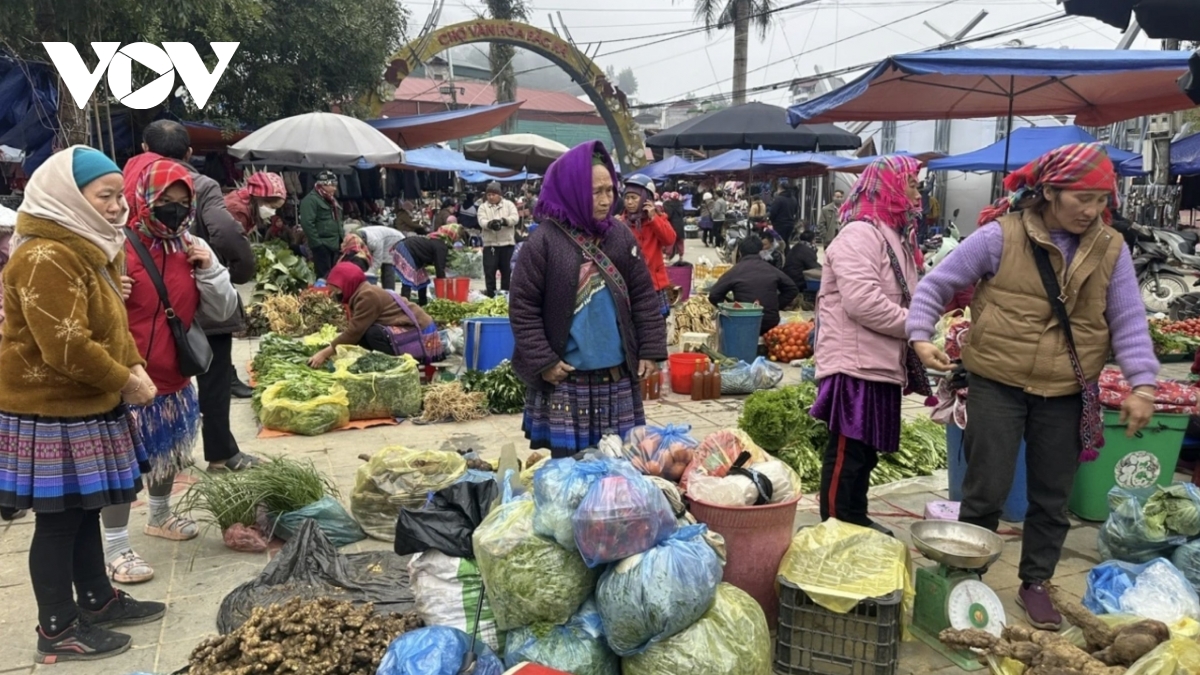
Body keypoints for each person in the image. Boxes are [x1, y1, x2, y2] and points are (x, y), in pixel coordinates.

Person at [907, 143, 1157, 630]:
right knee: (986, 491)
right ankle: (968, 573)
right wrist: (919, 335)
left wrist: (1143, 385)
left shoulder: (1111, 249)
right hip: (998, 382)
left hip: (1066, 389)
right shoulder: (1001, 236)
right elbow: (937, 283)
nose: (1091, 210)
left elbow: (1128, 320)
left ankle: (1036, 582)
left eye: (1100, 200)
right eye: (1081, 198)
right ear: (1048, 193)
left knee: (1051, 497)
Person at [1, 146, 166, 662]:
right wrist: (126, 380)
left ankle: (96, 600)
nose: (119, 206)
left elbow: (108, 322)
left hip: (87, 401)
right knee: (58, 521)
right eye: (106, 196)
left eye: (120, 195)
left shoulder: (89, 245)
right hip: (52, 408)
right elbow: (65, 346)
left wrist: (132, 364)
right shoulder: (45, 254)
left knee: (84, 510)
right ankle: (56, 629)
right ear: (71, 198)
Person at [102, 159, 239, 585]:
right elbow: (85, 314)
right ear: (144, 200)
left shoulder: (190, 245)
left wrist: (210, 271)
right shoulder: (115, 246)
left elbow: (223, 310)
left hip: (174, 376)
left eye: (183, 203)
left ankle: (160, 516)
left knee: (169, 452)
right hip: (128, 380)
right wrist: (107, 289)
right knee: (122, 468)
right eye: (166, 202)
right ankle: (115, 546)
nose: (175, 211)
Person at [510, 141, 668, 457]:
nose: (606, 199)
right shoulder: (543, 242)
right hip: (567, 381)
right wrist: (545, 361)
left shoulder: (620, 236)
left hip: (617, 378)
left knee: (619, 470)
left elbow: (643, 295)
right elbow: (522, 307)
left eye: (610, 190)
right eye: (596, 191)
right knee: (570, 473)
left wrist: (650, 349)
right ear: (571, 190)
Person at [128, 120, 259, 467]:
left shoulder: (123, 185)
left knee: (148, 383)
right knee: (212, 381)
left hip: (142, 307)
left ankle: (162, 455)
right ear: (189, 153)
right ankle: (219, 453)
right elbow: (226, 232)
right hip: (192, 302)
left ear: (144, 148)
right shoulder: (200, 185)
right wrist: (238, 271)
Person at [812, 156, 928, 538]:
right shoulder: (859, 234)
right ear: (887, 187)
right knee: (849, 452)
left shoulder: (893, 234)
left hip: (878, 361)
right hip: (854, 363)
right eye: (910, 183)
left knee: (866, 453)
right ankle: (834, 527)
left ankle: (856, 518)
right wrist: (917, 328)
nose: (916, 192)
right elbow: (863, 303)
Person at [307, 262, 437, 368]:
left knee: (371, 333)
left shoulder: (367, 295)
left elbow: (355, 331)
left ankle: (393, 364)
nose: (334, 292)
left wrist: (325, 353)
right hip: (409, 326)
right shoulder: (361, 291)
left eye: (337, 288)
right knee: (364, 335)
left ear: (348, 283)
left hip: (421, 330)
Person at [707, 237, 798, 335]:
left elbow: (714, 295)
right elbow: (792, 289)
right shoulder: (770, 269)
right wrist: (776, 305)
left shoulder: (735, 271)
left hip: (742, 321)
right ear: (760, 251)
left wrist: (731, 307)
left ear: (740, 253)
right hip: (770, 322)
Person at [616, 174, 677, 317]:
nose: (629, 202)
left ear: (646, 199)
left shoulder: (657, 219)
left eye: (634, 198)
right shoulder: (620, 222)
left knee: (655, 324)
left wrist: (653, 219)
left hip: (654, 284)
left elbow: (669, 240)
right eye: (627, 198)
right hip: (629, 283)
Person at [476, 182, 520, 297]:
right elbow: (482, 221)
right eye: (488, 195)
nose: (490, 197)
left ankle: (505, 296)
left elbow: (515, 218)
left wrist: (504, 221)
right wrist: (490, 224)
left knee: (506, 273)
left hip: (507, 245)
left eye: (493, 194)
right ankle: (491, 296)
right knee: (490, 273)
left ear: (499, 195)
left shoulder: (509, 205)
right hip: (490, 245)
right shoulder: (483, 207)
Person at [299, 171, 343, 279]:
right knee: (324, 277)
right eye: (332, 185)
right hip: (322, 245)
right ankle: (324, 295)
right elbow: (307, 223)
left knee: (335, 276)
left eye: (335, 185)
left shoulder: (330, 199)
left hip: (335, 244)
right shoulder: (310, 200)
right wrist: (317, 244)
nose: (334, 189)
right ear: (322, 184)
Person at [391, 233, 450, 306]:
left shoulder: (437, 242)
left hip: (415, 253)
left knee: (422, 279)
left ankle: (423, 303)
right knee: (408, 278)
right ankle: (404, 305)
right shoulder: (441, 247)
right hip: (406, 248)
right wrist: (442, 282)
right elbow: (439, 266)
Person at [224, 171, 287, 236]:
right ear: (260, 198)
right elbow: (232, 241)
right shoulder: (238, 211)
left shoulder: (248, 202)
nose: (273, 212)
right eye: (273, 207)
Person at [347, 224, 406, 289]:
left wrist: (368, 274)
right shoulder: (355, 235)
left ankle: (389, 293)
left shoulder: (374, 242)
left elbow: (377, 261)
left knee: (387, 267)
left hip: (394, 240)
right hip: (383, 237)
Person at [662, 191, 686, 259]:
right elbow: (684, 214)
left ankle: (667, 256)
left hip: (671, 225)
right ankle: (681, 257)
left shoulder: (667, 204)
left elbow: (668, 215)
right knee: (680, 241)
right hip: (680, 225)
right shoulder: (681, 204)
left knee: (670, 241)